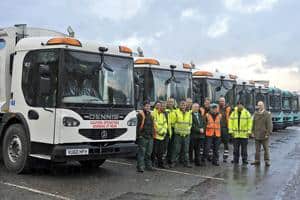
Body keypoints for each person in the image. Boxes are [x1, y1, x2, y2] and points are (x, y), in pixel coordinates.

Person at [170, 100, 192, 168]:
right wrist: (178, 128)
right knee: (176, 150)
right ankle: (173, 162)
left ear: (186, 106)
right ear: (179, 105)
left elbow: (190, 123)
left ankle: (186, 162)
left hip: (186, 135)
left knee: (186, 150)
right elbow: (173, 123)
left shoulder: (189, 113)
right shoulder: (176, 112)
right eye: (182, 105)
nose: (183, 106)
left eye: (184, 105)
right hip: (178, 134)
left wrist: (187, 129)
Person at [251, 101, 272, 167]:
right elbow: (253, 124)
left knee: (266, 149)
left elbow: (270, 125)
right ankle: (257, 160)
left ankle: (267, 161)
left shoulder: (267, 114)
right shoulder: (255, 113)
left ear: (263, 106)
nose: (259, 107)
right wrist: (252, 132)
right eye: (258, 105)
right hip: (257, 134)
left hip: (264, 135)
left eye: (261, 105)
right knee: (257, 149)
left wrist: (268, 133)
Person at [136, 101, 155, 172]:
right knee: (142, 153)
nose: (148, 107)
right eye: (146, 106)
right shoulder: (140, 115)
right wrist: (139, 136)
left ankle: (148, 166)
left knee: (149, 153)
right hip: (143, 137)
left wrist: (153, 134)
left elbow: (153, 126)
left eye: (149, 106)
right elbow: (137, 127)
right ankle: (140, 167)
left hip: (150, 137)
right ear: (143, 106)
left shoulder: (151, 115)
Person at [152, 101, 168, 168]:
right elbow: (154, 124)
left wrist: (164, 131)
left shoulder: (162, 114)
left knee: (161, 151)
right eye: (158, 105)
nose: (159, 106)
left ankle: (160, 164)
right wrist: (160, 131)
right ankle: (152, 163)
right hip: (156, 135)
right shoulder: (153, 113)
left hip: (162, 136)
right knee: (154, 151)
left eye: (160, 105)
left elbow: (165, 124)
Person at [218, 97, 231, 163]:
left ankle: (225, 157)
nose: (221, 102)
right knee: (216, 143)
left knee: (226, 143)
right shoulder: (216, 108)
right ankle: (216, 157)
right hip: (217, 128)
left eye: (223, 101)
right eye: (220, 101)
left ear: (225, 102)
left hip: (225, 128)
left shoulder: (228, 109)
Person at [165, 98, 177, 164]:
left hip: (174, 129)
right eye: (169, 102)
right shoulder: (165, 110)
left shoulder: (176, 110)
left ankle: (170, 159)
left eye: (172, 102)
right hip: (167, 129)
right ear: (167, 103)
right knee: (166, 145)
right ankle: (166, 159)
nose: (170, 103)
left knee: (172, 146)